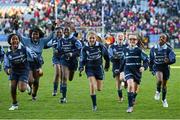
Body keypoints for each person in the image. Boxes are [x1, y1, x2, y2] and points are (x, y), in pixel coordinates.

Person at [16, 26, 54, 101]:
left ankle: (34, 95)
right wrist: (16, 28)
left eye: (37, 34)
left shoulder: (42, 41)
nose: (35, 36)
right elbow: (19, 36)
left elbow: (50, 37)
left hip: (37, 64)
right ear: (31, 35)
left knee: (36, 82)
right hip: (28, 63)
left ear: (39, 35)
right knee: (30, 80)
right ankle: (29, 88)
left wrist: (53, 30)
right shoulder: (27, 41)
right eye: (33, 34)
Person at [4, 33, 37, 110]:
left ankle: (27, 87)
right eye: (13, 39)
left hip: (24, 70)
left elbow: (34, 56)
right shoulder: (8, 53)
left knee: (22, 89)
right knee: (12, 87)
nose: (15, 41)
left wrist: (37, 65)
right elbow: (5, 66)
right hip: (14, 71)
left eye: (16, 39)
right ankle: (14, 104)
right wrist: (8, 70)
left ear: (19, 40)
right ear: (10, 41)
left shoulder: (24, 49)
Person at [79, 31, 110, 111]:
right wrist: (81, 67)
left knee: (99, 89)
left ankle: (97, 84)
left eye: (93, 38)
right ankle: (94, 105)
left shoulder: (100, 46)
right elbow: (82, 59)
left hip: (99, 68)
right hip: (89, 68)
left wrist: (107, 65)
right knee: (92, 85)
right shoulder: (85, 48)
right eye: (90, 38)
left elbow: (106, 56)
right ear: (87, 39)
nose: (92, 39)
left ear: (95, 38)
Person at [122, 33, 149, 113]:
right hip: (128, 70)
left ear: (137, 41)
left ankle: (133, 97)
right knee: (130, 85)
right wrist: (120, 71)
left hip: (137, 71)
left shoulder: (139, 50)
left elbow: (146, 61)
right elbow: (123, 62)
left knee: (135, 89)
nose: (132, 41)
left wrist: (144, 67)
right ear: (128, 40)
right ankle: (130, 106)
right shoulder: (125, 50)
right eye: (130, 39)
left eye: (134, 39)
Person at [149, 34, 176, 108]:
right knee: (160, 80)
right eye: (160, 37)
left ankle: (164, 99)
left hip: (165, 68)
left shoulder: (169, 49)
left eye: (163, 38)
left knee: (164, 86)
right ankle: (157, 91)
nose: (161, 39)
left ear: (166, 40)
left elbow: (173, 59)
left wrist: (168, 61)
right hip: (157, 67)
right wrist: (151, 68)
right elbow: (151, 59)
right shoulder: (153, 48)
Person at [57, 27, 82, 103]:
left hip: (73, 61)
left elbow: (79, 50)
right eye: (65, 30)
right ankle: (64, 98)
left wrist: (72, 54)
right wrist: (57, 51)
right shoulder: (61, 40)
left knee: (70, 78)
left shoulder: (74, 40)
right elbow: (59, 50)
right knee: (64, 77)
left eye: (67, 30)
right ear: (63, 32)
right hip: (64, 60)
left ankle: (63, 85)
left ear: (70, 31)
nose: (66, 31)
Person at [108, 32, 126, 102]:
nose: (120, 37)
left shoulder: (127, 45)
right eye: (119, 36)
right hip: (116, 65)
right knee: (118, 81)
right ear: (116, 38)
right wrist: (115, 57)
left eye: (122, 36)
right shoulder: (112, 47)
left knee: (123, 78)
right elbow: (110, 57)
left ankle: (125, 82)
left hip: (125, 64)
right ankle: (120, 97)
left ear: (124, 38)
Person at [46, 27, 63, 96]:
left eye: (60, 32)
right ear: (55, 33)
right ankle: (55, 90)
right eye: (57, 32)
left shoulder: (64, 40)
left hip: (63, 58)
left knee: (62, 74)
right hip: (56, 58)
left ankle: (62, 87)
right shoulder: (53, 40)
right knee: (57, 73)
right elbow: (46, 45)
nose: (59, 33)